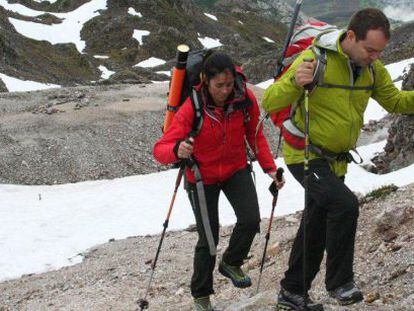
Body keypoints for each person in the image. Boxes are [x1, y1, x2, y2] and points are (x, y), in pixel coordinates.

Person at [262, 7, 414, 311]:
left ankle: (292, 292)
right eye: (370, 49)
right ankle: (340, 283)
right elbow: (269, 101)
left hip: (336, 160)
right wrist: (294, 83)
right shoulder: (314, 59)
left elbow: (396, 101)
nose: (374, 56)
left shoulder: (371, 68)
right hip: (304, 155)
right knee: (344, 204)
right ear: (352, 36)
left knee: (315, 222)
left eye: (379, 51)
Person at [153, 51, 284, 311]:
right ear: (205, 80)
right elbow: (161, 148)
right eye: (219, 86)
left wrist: (270, 168)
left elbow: (254, 135)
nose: (225, 90)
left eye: (229, 84)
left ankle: (231, 263)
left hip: (235, 168)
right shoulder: (192, 106)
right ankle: (201, 295)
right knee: (208, 239)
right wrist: (177, 149)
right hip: (201, 176)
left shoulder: (243, 98)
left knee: (249, 220)